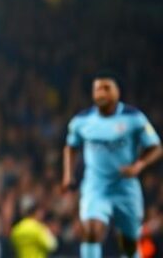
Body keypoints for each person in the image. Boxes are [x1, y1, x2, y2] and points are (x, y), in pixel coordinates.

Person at [62, 72, 162, 258]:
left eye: (106, 88)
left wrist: (139, 165)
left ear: (117, 91)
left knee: (129, 243)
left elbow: (156, 147)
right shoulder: (82, 121)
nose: (101, 93)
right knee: (91, 229)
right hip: (95, 185)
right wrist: (68, 175)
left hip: (125, 186)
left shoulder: (134, 118)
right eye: (97, 88)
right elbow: (70, 147)